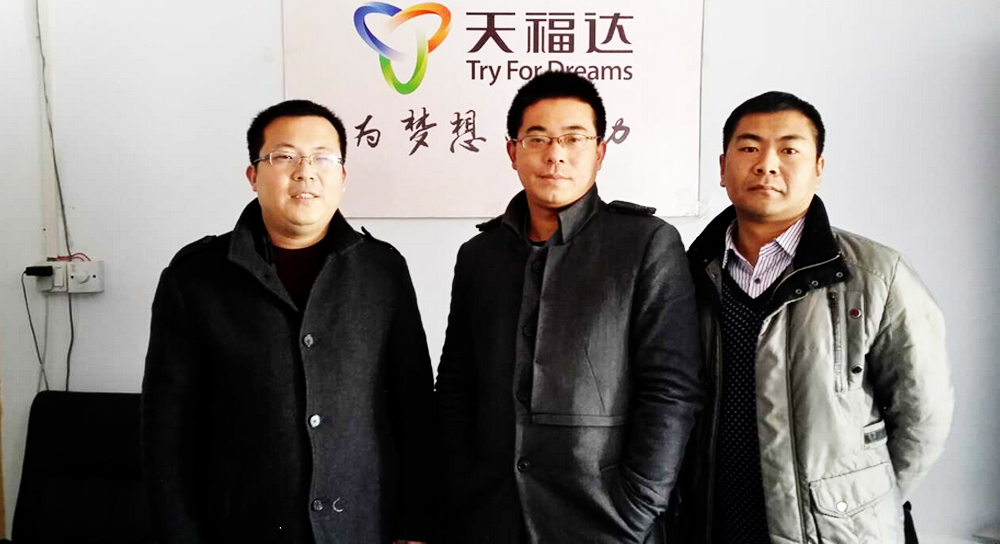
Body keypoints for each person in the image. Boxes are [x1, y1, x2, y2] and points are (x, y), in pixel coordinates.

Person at [141, 99, 433, 544]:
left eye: (323, 158)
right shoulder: (196, 278)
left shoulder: (383, 271)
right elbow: (166, 432)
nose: (305, 172)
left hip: (363, 526)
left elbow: (414, 410)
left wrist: (415, 527)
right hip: (239, 528)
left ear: (343, 176)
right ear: (253, 175)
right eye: (284, 156)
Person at [434, 70, 704, 544]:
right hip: (492, 516)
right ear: (512, 151)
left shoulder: (645, 243)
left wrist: (639, 504)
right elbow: (457, 384)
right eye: (537, 139)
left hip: (606, 520)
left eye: (574, 139)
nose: (555, 154)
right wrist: (459, 486)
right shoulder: (480, 255)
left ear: (599, 152)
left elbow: (672, 389)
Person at [681, 91, 954, 544]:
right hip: (713, 522)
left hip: (834, 530)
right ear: (723, 167)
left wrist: (863, 502)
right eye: (749, 148)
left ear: (818, 169)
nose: (767, 165)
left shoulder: (878, 275)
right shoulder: (687, 274)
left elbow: (923, 416)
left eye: (789, 150)